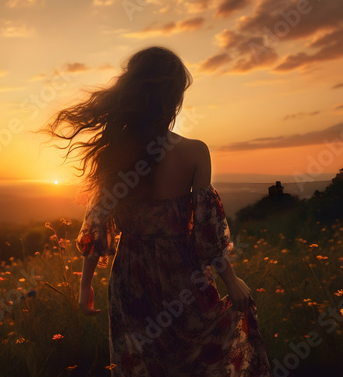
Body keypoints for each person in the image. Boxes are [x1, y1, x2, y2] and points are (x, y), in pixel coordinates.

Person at [45, 46, 271, 377]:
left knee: (140, 362)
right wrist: (230, 280)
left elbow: (98, 224)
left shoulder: (115, 155)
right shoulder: (195, 152)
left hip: (130, 276)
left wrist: (86, 284)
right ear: (173, 98)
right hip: (182, 272)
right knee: (195, 358)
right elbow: (207, 230)